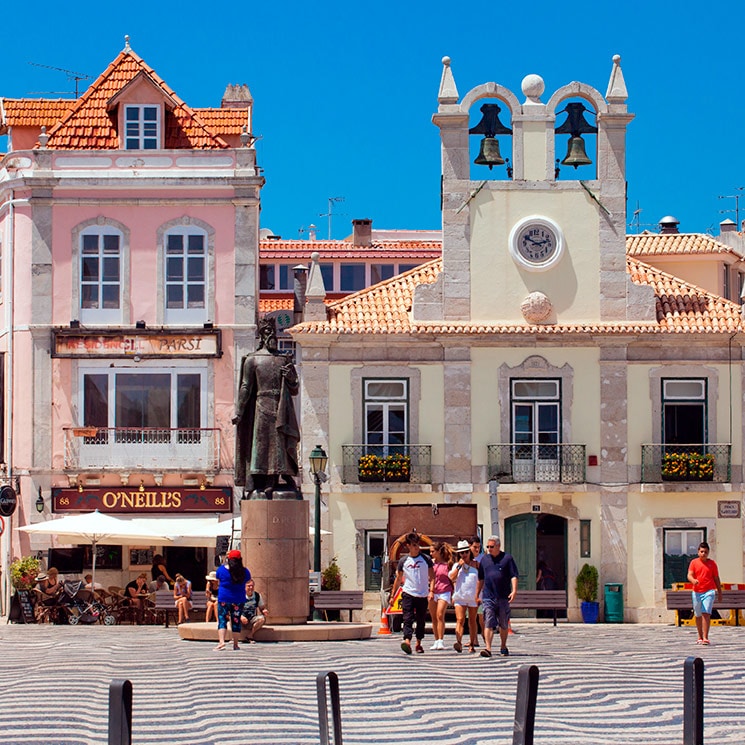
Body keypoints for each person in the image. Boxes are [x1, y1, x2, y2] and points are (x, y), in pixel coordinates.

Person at [233, 317, 300, 498]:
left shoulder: (283, 359)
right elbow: (246, 387)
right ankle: (259, 478)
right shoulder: (252, 360)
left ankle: (279, 476)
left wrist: (292, 378)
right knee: (261, 444)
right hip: (261, 405)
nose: (273, 337)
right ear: (263, 335)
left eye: (274, 333)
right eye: (268, 332)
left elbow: (294, 389)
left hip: (281, 407)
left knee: (280, 443)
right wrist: (239, 411)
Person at [389, 532, 434, 655]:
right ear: (408, 546)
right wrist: (392, 596)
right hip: (408, 593)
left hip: (422, 594)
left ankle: (419, 642)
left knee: (421, 620)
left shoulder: (426, 560)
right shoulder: (404, 561)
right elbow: (398, 579)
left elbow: (432, 576)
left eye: (417, 545)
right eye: (414, 545)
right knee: (407, 618)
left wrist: (431, 591)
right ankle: (407, 640)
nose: (416, 547)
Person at [476, 536, 518, 658]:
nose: (489, 549)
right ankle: (488, 648)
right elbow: (481, 578)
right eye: (488, 547)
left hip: (503, 597)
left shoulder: (507, 558)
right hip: (488, 596)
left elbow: (513, 575)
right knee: (488, 621)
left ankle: (503, 646)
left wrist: (514, 590)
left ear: (498, 546)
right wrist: (477, 594)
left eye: (491, 547)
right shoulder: (485, 560)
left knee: (503, 624)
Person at [687, 541, 723, 646]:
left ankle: (706, 637)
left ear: (708, 553)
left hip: (709, 591)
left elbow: (716, 578)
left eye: (706, 552)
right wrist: (693, 580)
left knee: (706, 613)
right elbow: (689, 575)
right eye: (702, 551)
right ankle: (700, 636)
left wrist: (720, 592)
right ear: (698, 552)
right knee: (697, 614)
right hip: (697, 592)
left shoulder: (712, 564)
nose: (703, 554)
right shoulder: (694, 563)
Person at [215, 549, 251, 650]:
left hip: (224, 598)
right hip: (238, 599)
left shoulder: (221, 570)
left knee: (222, 619)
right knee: (236, 621)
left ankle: (221, 641)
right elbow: (248, 579)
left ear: (228, 559)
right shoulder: (245, 572)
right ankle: (235, 644)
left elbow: (218, 579)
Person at [449, 540, 480, 653]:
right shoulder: (456, 566)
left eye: (466, 552)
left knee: (472, 621)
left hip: (472, 596)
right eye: (462, 553)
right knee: (460, 619)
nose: (464, 555)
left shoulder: (476, 564)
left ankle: (472, 643)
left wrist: (479, 594)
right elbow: (451, 578)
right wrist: (459, 567)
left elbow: (481, 580)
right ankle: (459, 642)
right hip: (460, 596)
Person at [428, 542, 454, 650]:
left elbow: (452, 579)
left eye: (433, 551)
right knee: (433, 616)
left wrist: (454, 593)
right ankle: (436, 640)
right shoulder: (431, 564)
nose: (430, 553)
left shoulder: (448, 564)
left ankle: (441, 640)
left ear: (439, 551)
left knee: (440, 614)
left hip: (445, 590)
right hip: (433, 591)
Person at [240, 578, 268, 642]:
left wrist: (264, 611)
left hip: (251, 618)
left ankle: (250, 635)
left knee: (262, 619)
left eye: (252, 586)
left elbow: (262, 608)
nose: (251, 588)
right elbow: (233, 610)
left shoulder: (257, 595)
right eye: (249, 586)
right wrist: (241, 617)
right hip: (241, 618)